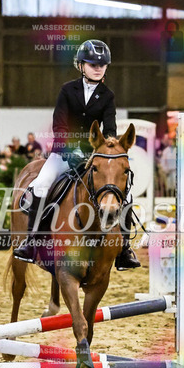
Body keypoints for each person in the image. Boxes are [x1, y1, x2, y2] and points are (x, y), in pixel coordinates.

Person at [14, 39, 140, 271]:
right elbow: (59, 125)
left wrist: (106, 149)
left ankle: (124, 250)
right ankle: (32, 242)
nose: (98, 68)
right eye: (93, 64)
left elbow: (109, 129)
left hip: (94, 155)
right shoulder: (67, 90)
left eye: (102, 65)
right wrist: (69, 149)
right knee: (41, 184)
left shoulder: (107, 95)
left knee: (127, 194)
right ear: (81, 66)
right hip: (63, 154)